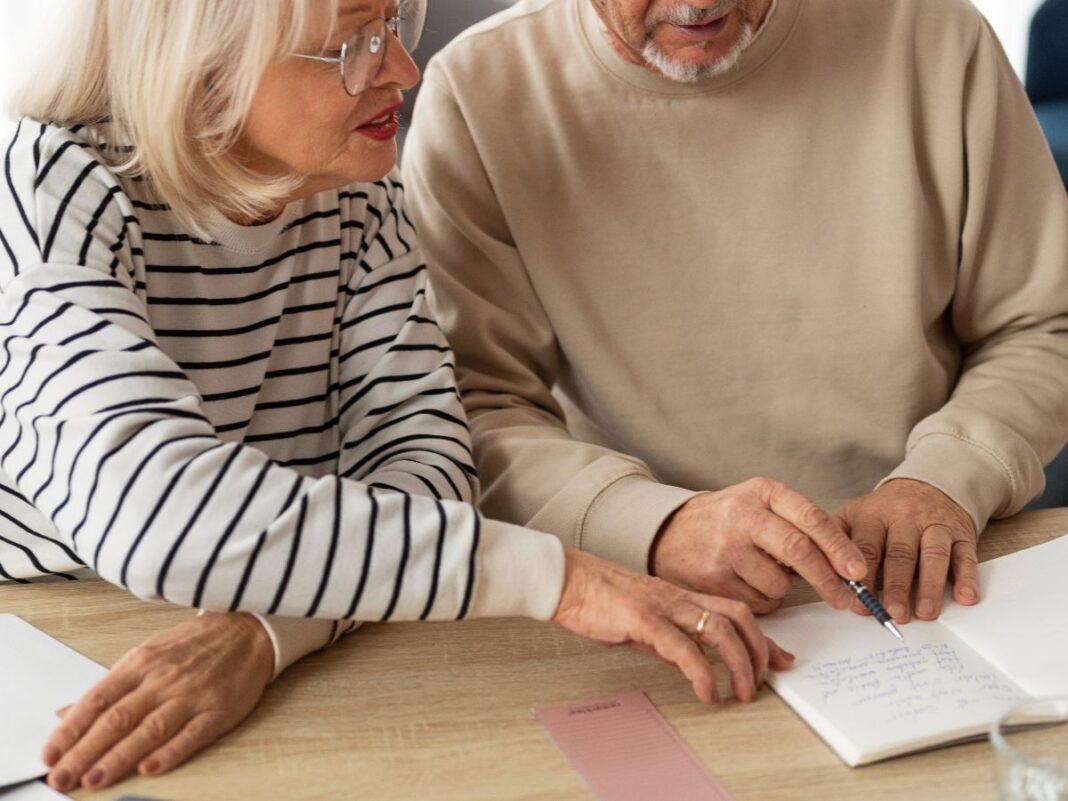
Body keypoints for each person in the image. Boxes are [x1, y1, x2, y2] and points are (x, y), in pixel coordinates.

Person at [0, 0, 802, 792]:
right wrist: (565, 581)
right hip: (49, 637)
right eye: (352, 43)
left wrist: (263, 631)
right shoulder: (49, 185)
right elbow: (157, 517)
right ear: (207, 66)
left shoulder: (354, 187)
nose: (402, 70)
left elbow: (428, 473)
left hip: (273, 618)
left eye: (393, 26)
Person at [403, 0, 1068, 626]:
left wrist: (947, 475)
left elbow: (1040, 326)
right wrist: (655, 524)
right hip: (634, 589)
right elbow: (475, 410)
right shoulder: (477, 92)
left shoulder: (936, 34)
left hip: (928, 561)